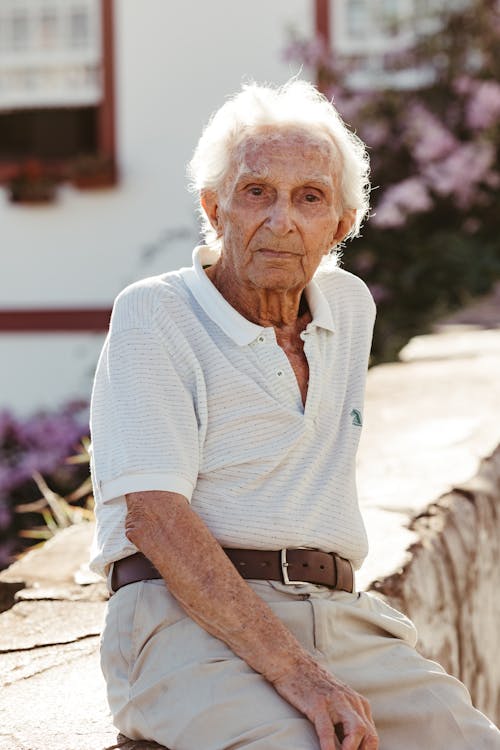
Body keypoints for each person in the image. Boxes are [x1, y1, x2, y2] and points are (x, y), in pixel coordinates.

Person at [89, 80, 500, 750]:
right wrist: (300, 675)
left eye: (309, 198)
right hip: (181, 623)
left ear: (339, 225)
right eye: (256, 192)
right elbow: (155, 518)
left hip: (340, 617)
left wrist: (320, 659)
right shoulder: (155, 314)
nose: (280, 220)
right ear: (214, 208)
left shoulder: (350, 307)